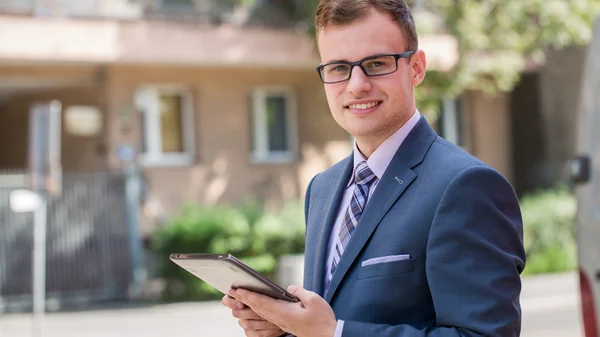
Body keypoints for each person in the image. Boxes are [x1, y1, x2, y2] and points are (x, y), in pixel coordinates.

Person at [223, 0, 526, 336]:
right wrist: (284, 328)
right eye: (338, 68)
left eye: (376, 63)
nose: (356, 85)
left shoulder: (468, 186)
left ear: (416, 68)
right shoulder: (322, 189)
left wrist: (335, 332)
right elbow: (328, 322)